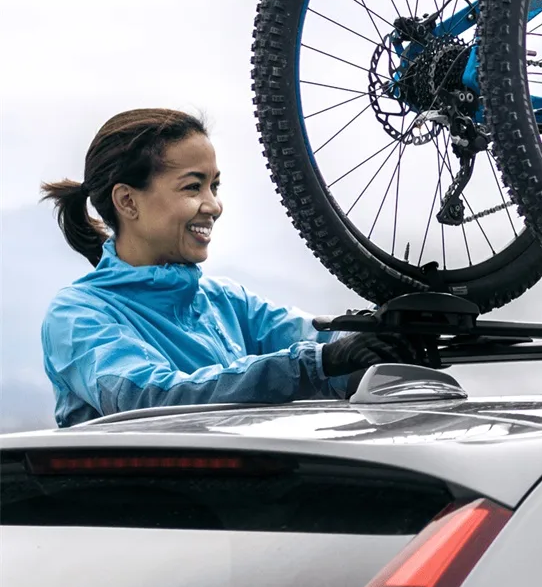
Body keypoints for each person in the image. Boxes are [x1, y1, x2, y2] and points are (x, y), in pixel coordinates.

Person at [41, 108, 412, 425]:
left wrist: (387, 332)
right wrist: (323, 362)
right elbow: (149, 398)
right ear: (127, 201)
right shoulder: (77, 315)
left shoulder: (225, 300)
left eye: (214, 187)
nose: (214, 206)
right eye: (193, 187)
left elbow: (320, 340)